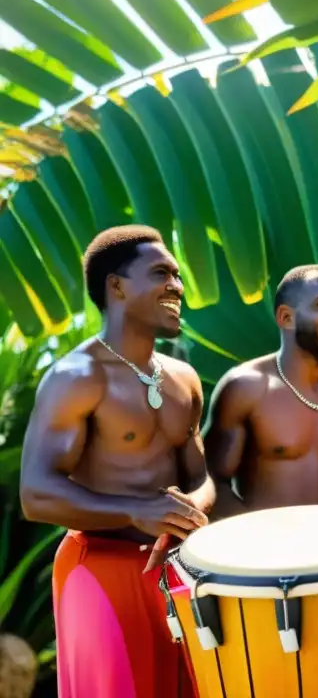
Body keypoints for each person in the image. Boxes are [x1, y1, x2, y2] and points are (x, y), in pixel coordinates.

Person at [20, 225, 214, 698]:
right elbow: (36, 493)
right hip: (98, 568)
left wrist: (186, 509)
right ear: (117, 286)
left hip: (175, 571)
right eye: (161, 273)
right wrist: (136, 512)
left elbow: (201, 476)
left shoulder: (184, 378)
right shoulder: (76, 376)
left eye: (177, 274)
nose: (177, 285)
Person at [203, 264, 318, 518]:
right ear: (286, 317)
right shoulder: (247, 387)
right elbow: (208, 482)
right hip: (260, 552)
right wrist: (262, 543)